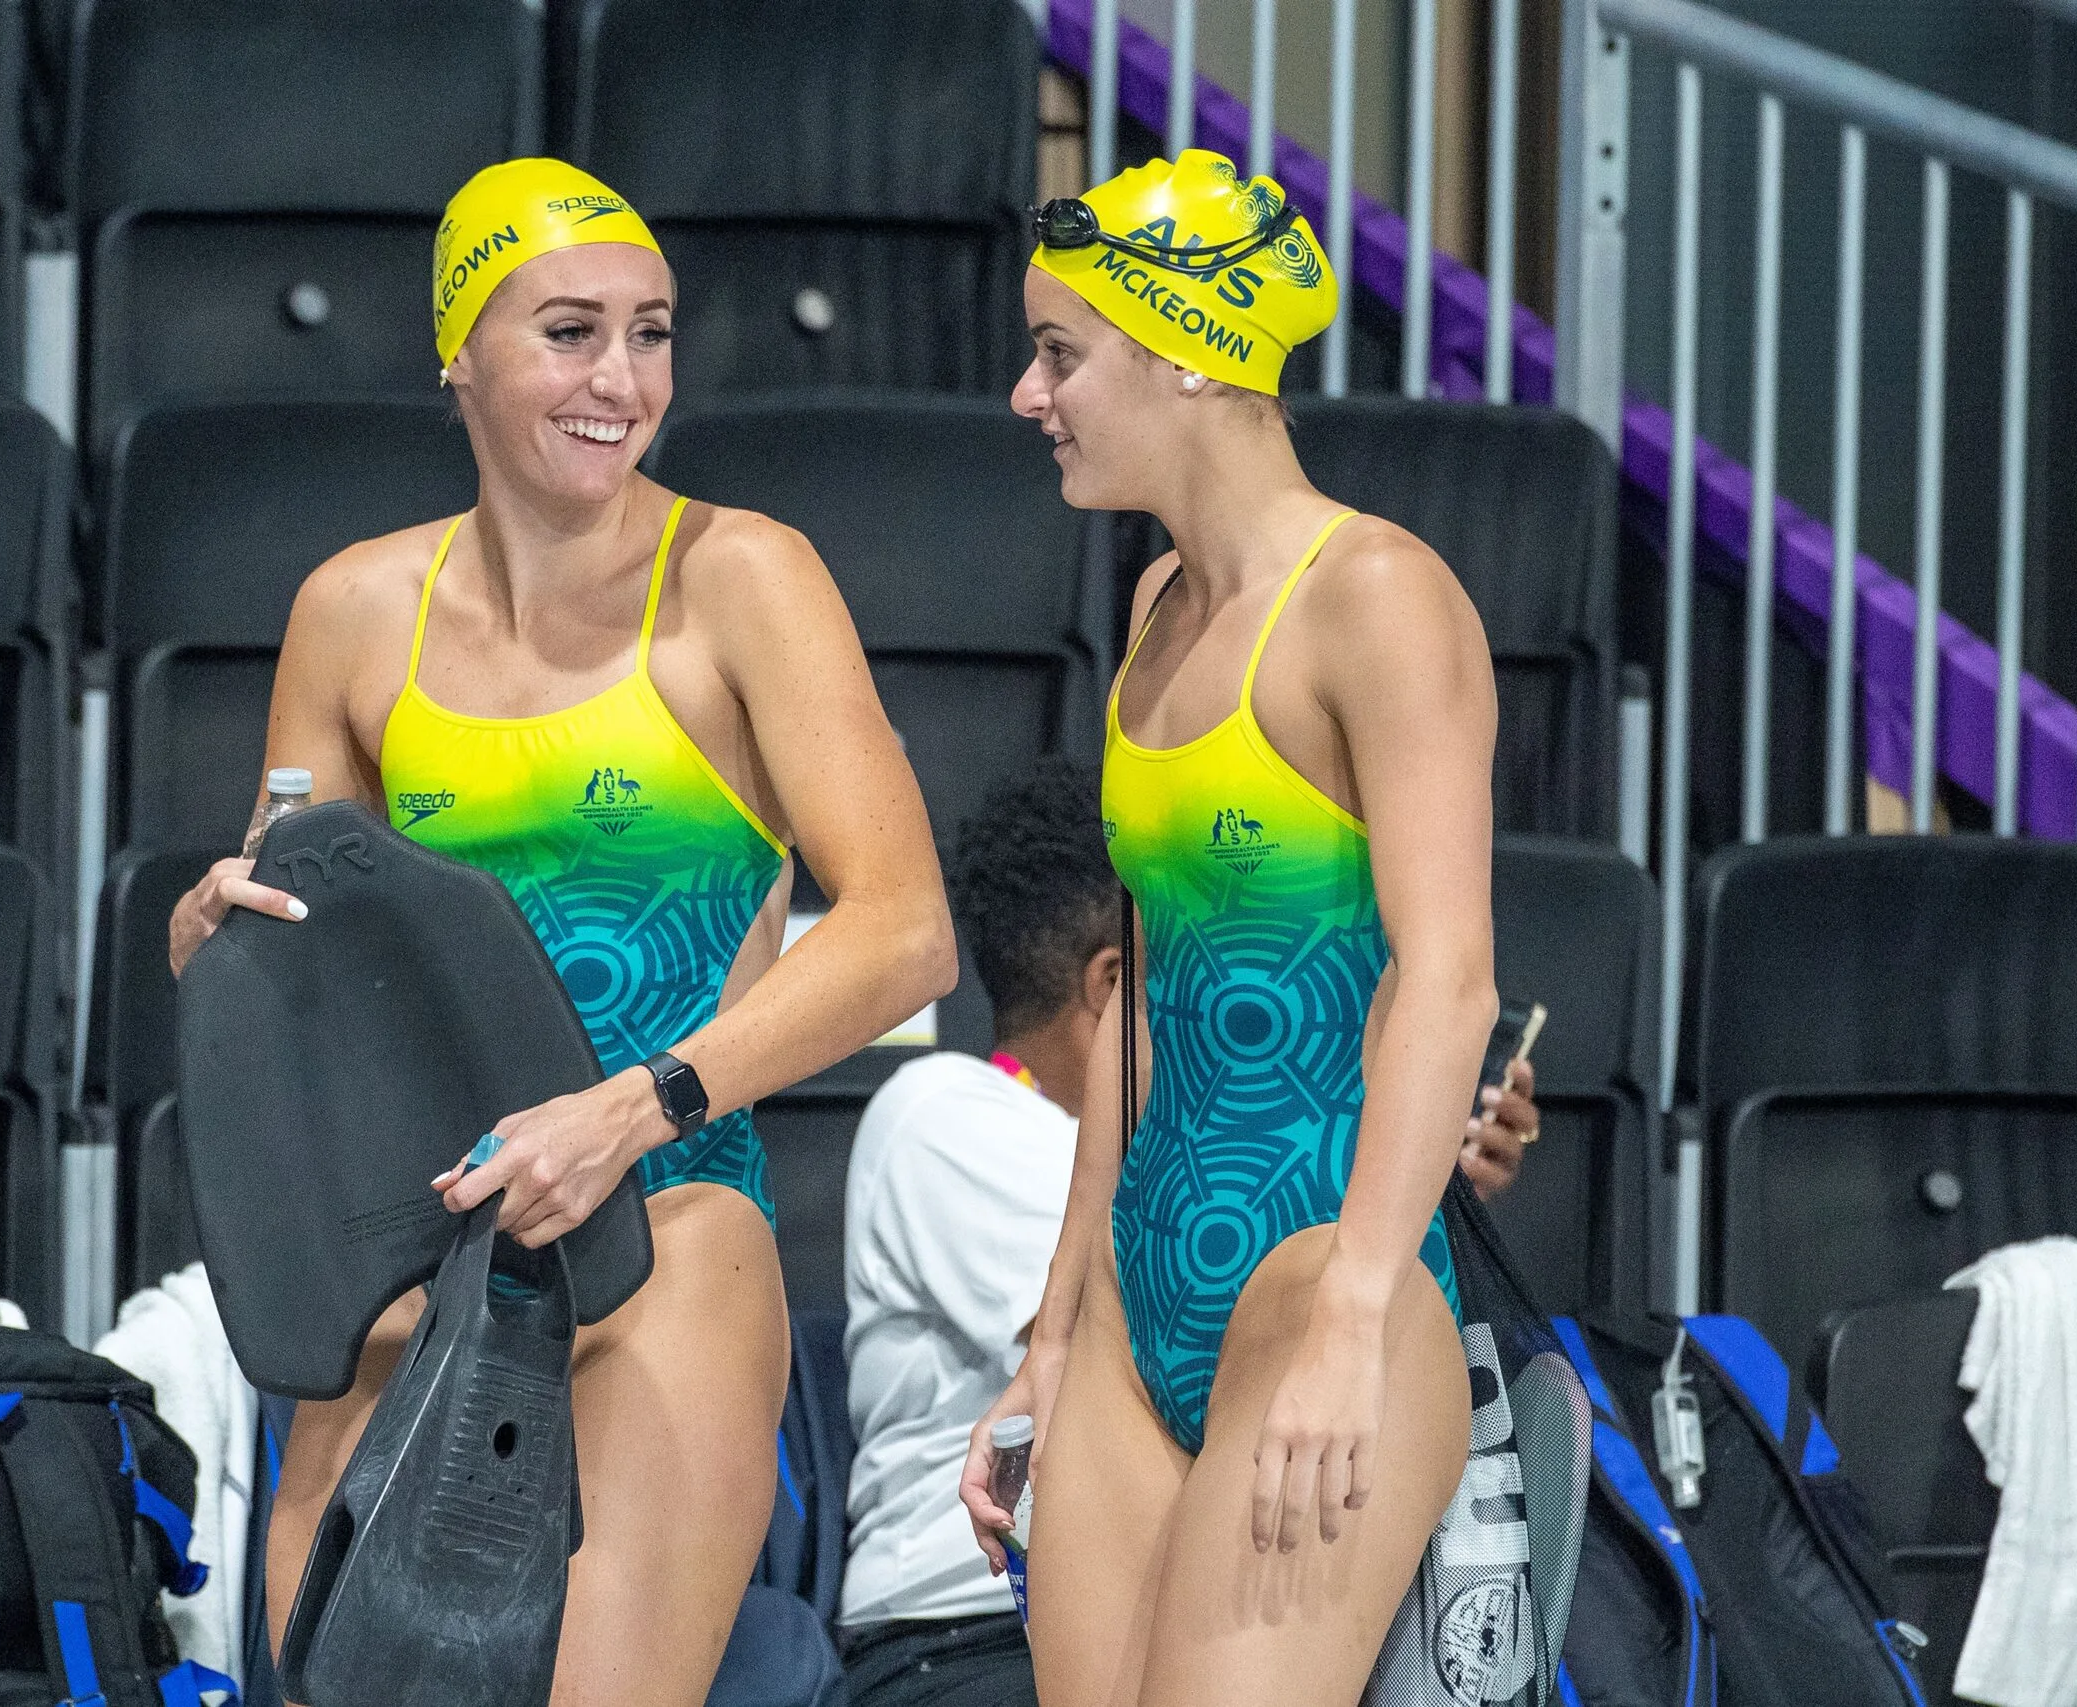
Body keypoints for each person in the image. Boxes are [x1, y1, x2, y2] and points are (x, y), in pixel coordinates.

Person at [167, 158, 957, 1704]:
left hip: (671, 1228)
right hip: (414, 1257)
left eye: (651, 333)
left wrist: (630, 1108)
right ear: (458, 348)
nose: (622, 379)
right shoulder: (354, 607)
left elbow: (907, 933)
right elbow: (309, 975)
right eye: (572, 331)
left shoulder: (744, 576)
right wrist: (216, 946)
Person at [962, 150, 1502, 1705]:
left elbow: (1448, 976)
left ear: (1187, 351)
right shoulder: (1151, 609)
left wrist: (1354, 1318)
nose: (1025, 393)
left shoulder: (1379, 597)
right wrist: (1058, 1329)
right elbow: (1141, 997)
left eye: (1060, 353)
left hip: (1324, 1277)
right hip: (1144, 1304)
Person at [846, 760, 1534, 1707]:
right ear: (1117, 979)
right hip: (945, 1627)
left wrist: (1426, 1163)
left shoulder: (1175, 1165)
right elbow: (1153, 1277)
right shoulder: (942, 1109)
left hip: (1154, 1542)